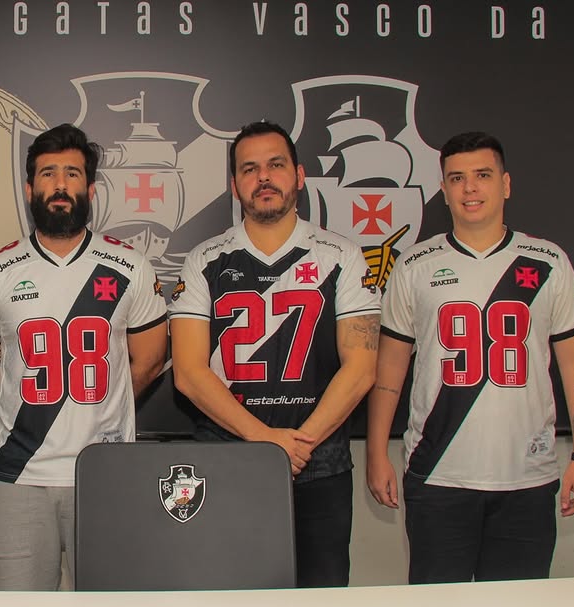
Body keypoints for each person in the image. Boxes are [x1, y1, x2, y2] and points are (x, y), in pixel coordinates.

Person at [366, 131, 574, 583]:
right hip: (437, 477)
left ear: (506, 184)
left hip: (527, 478)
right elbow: (389, 369)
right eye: (457, 178)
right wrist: (377, 452)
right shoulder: (414, 265)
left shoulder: (547, 261)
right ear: (444, 190)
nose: (470, 188)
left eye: (483, 175)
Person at [169, 120, 380, 588]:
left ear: (299, 175)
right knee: (226, 591)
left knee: (321, 594)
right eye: (250, 169)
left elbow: (362, 367)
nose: (263, 177)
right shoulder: (204, 260)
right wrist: (266, 442)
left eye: (276, 165)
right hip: (227, 460)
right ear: (235, 185)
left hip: (319, 462)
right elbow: (188, 372)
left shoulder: (342, 256)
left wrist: (299, 444)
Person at [0, 123, 168, 591]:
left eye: (72, 174)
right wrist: (27, 410)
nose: (60, 185)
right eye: (48, 173)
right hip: (20, 474)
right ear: (29, 189)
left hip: (105, 472)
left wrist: (98, 405)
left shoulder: (130, 266)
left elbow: (151, 360)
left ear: (90, 189)